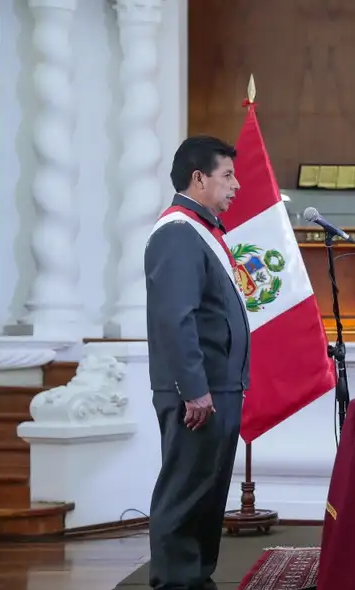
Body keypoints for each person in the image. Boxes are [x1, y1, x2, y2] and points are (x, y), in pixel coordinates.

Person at [145, 135, 250, 590]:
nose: (236, 185)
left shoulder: (201, 230)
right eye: (227, 175)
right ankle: (175, 583)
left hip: (217, 386)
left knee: (207, 498)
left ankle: (195, 580)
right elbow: (175, 316)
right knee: (186, 494)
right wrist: (194, 389)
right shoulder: (177, 233)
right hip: (197, 392)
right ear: (198, 178)